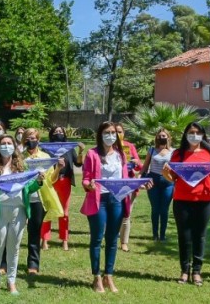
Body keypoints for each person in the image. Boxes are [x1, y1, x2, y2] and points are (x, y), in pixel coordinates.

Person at [81, 121, 150, 293]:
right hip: (99, 199)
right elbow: (86, 177)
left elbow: (126, 178)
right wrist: (88, 184)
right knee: (97, 239)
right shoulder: (92, 153)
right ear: (100, 134)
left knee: (112, 240)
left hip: (117, 199)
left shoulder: (121, 154)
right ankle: (96, 276)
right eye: (107, 132)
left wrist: (139, 184)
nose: (111, 135)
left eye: (113, 132)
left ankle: (108, 275)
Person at [162, 122, 210, 287]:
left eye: (197, 132)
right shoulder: (178, 154)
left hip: (205, 201)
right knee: (184, 237)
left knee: (199, 237)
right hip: (181, 200)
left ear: (203, 135)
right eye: (191, 132)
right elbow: (173, 178)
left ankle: (197, 272)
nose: (194, 135)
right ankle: (184, 270)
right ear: (186, 134)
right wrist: (165, 173)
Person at [0, 134, 45, 295]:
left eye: (9, 143)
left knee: (14, 248)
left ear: (14, 147)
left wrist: (39, 181)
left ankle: (11, 281)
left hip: (18, 211)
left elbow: (29, 188)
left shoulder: (22, 166)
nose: (6, 146)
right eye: (3, 143)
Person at [21, 128, 64, 274]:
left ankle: (33, 264)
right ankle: (5, 262)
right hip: (22, 197)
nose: (31, 141)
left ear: (38, 140)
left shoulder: (45, 157)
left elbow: (51, 180)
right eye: (28, 138)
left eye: (33, 138)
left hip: (38, 198)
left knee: (34, 232)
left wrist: (58, 168)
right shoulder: (18, 157)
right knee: (13, 231)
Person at [41, 125, 84, 250]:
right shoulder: (46, 148)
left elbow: (78, 163)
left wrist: (81, 151)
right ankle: (44, 239)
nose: (58, 133)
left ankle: (64, 240)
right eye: (56, 131)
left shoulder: (69, 148)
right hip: (50, 181)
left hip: (64, 180)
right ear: (51, 134)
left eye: (61, 131)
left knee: (64, 212)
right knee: (48, 210)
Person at [141, 128, 174, 242]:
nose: (162, 138)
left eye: (164, 136)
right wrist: (140, 178)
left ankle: (163, 235)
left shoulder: (173, 152)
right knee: (155, 209)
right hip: (153, 181)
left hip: (168, 182)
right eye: (159, 136)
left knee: (164, 210)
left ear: (168, 138)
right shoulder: (151, 150)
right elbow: (145, 166)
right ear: (156, 138)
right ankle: (155, 234)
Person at [114, 123, 142, 252]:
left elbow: (139, 166)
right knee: (113, 215)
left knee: (126, 214)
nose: (117, 134)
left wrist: (136, 163)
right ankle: (113, 238)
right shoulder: (107, 148)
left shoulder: (129, 146)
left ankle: (124, 242)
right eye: (115, 132)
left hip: (128, 185)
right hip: (112, 186)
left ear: (123, 133)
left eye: (120, 131)